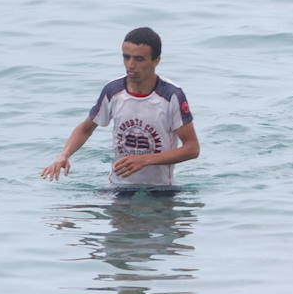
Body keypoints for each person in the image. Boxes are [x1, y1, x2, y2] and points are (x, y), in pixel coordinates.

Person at [40, 27, 200, 187]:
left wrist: (145, 160)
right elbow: (85, 129)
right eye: (126, 57)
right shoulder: (113, 91)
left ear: (156, 61)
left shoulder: (171, 96)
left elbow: (192, 149)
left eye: (139, 59)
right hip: (119, 187)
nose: (131, 65)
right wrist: (64, 155)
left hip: (160, 190)